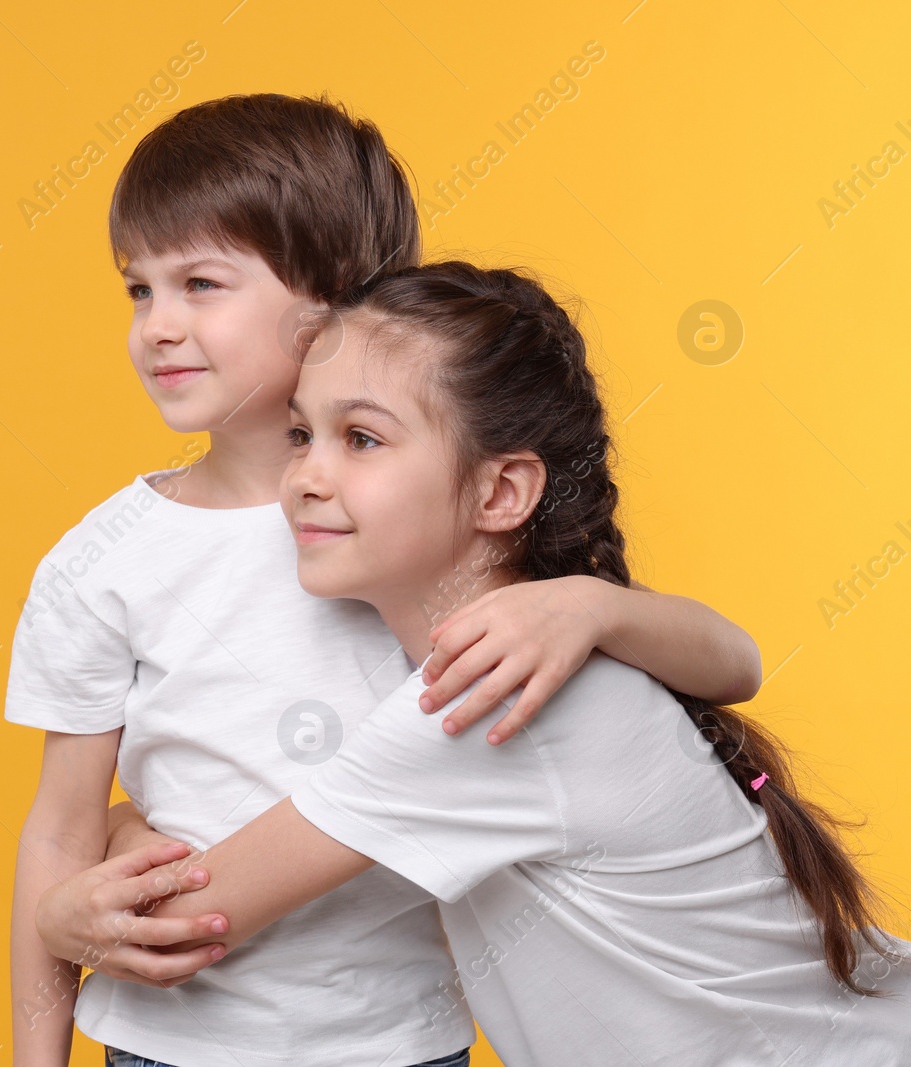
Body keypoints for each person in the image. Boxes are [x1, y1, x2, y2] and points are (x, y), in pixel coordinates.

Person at [7, 94, 764, 1067]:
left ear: (329, 304)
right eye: (136, 289)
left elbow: (725, 662)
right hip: (167, 1042)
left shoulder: (405, 524)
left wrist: (589, 602)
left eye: (199, 282)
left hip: (391, 1039)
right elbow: (56, 830)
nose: (156, 325)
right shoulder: (105, 562)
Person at [49, 261, 910, 1065]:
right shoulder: (563, 652)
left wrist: (94, 862)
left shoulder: (480, 704)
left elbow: (181, 923)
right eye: (301, 434)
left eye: (362, 439)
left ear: (501, 493)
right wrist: (599, 602)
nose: (305, 476)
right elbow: (737, 660)